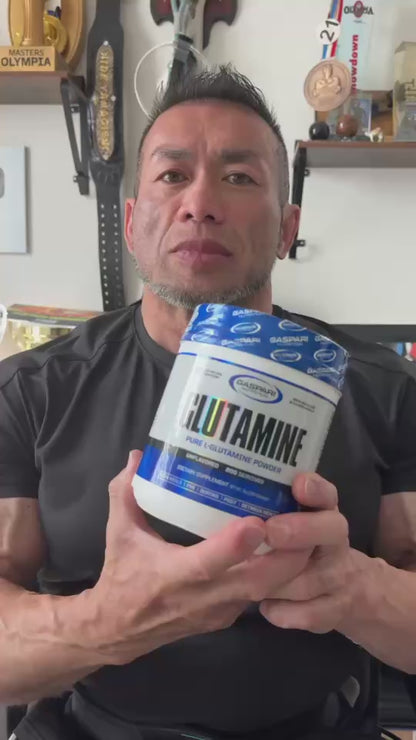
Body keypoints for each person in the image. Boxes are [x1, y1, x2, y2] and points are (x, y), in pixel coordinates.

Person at [1, 66, 416, 740]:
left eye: (240, 177)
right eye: (172, 175)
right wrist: (109, 623)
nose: (200, 202)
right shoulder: (30, 393)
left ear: (287, 229)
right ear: (131, 224)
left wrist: (352, 590)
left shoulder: (388, 392)